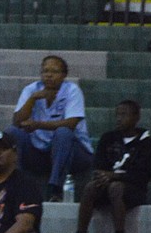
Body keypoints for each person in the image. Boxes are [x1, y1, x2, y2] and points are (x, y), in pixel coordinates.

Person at [8, 55, 93, 201]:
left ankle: (55, 189)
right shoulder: (31, 90)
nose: (49, 75)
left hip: (74, 152)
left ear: (64, 75)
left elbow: (71, 123)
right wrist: (32, 99)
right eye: (45, 71)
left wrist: (37, 125)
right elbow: (17, 121)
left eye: (54, 71)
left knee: (63, 133)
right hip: (40, 153)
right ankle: (15, 184)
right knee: (13, 133)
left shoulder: (72, 90)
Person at [74, 100, 151, 233]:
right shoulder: (108, 138)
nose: (119, 118)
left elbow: (142, 175)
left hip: (134, 189)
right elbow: (98, 165)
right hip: (107, 184)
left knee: (115, 187)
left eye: (124, 115)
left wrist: (114, 176)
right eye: (117, 115)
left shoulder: (145, 143)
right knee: (90, 187)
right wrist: (105, 176)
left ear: (136, 118)